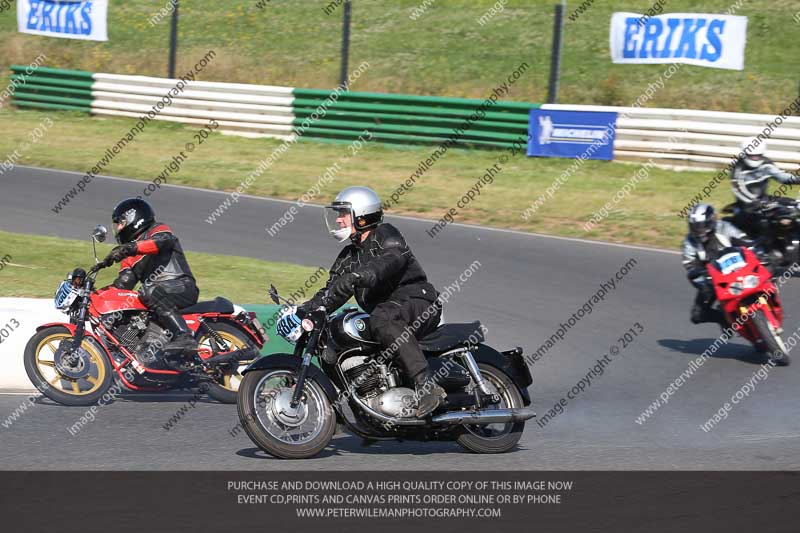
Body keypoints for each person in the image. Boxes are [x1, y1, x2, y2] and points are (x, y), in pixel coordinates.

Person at [291, 186, 445, 417]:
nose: (339, 219)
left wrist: (360, 276)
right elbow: (331, 290)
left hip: (417, 301)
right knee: (334, 334)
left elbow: (391, 259)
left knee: (382, 317)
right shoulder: (348, 257)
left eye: (343, 214)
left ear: (361, 216)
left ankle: (426, 386)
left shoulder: (386, 234)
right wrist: (305, 310)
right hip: (386, 313)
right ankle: (363, 408)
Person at [103, 198, 200, 368]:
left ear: (134, 219)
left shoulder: (157, 229)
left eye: (120, 223)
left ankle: (184, 336)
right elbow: (122, 285)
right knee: (125, 309)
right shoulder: (130, 256)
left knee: (148, 290)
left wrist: (129, 248)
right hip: (157, 296)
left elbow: (164, 241)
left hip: (182, 286)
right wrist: (95, 295)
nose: (117, 228)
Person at [682, 204, 750, 327]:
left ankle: (770, 300)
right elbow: (690, 265)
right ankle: (725, 319)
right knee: (697, 315)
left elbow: (745, 241)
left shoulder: (724, 227)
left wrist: (752, 249)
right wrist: (702, 282)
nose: (699, 230)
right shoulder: (690, 241)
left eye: (702, 226)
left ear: (711, 221)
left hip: (739, 267)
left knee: (768, 271)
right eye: (695, 226)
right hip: (714, 279)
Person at [730, 138, 800, 237]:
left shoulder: (766, 163)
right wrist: (756, 202)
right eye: (752, 156)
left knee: (793, 207)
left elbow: (782, 177)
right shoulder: (738, 168)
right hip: (747, 207)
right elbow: (738, 190)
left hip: (765, 200)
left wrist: (798, 179)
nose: (756, 158)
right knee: (766, 226)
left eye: (758, 155)